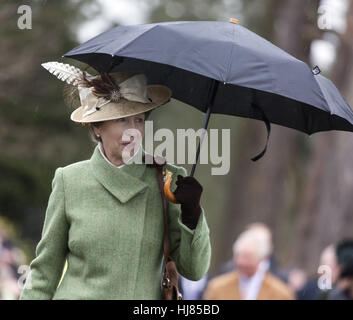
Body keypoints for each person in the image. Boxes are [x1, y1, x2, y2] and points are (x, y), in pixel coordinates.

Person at [20, 64, 211, 299]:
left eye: (139, 120)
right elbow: (45, 272)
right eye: (122, 120)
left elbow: (194, 270)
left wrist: (191, 213)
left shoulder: (167, 179)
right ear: (97, 127)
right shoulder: (69, 180)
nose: (133, 131)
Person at [203, 229, 293, 300]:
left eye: (248, 258)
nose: (241, 262)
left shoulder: (281, 293)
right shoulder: (217, 287)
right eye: (238, 256)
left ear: (261, 259)